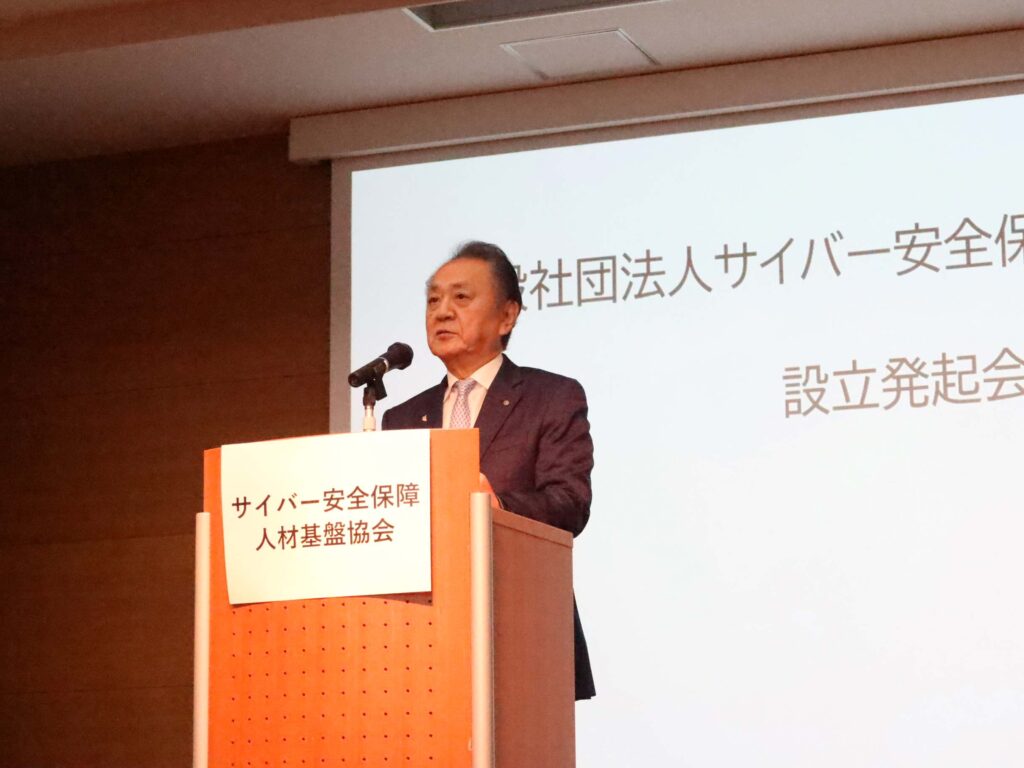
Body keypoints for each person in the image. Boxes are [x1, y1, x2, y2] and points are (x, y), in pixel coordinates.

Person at [381, 240, 596, 700]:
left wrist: (496, 507)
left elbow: (569, 504)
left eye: (461, 297)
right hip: (424, 638)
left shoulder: (551, 397)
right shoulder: (400, 418)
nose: (442, 311)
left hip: (523, 629)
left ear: (507, 316)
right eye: (433, 299)